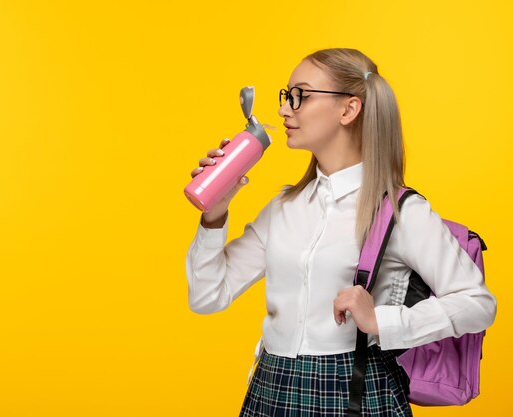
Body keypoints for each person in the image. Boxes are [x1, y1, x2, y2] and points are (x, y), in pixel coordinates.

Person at [184, 48, 496, 416]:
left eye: (300, 95)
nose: (285, 110)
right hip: (271, 388)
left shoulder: (400, 212)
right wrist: (214, 216)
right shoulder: (284, 207)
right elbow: (206, 297)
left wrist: (383, 321)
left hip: (356, 393)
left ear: (348, 110)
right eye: (286, 96)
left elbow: (477, 303)